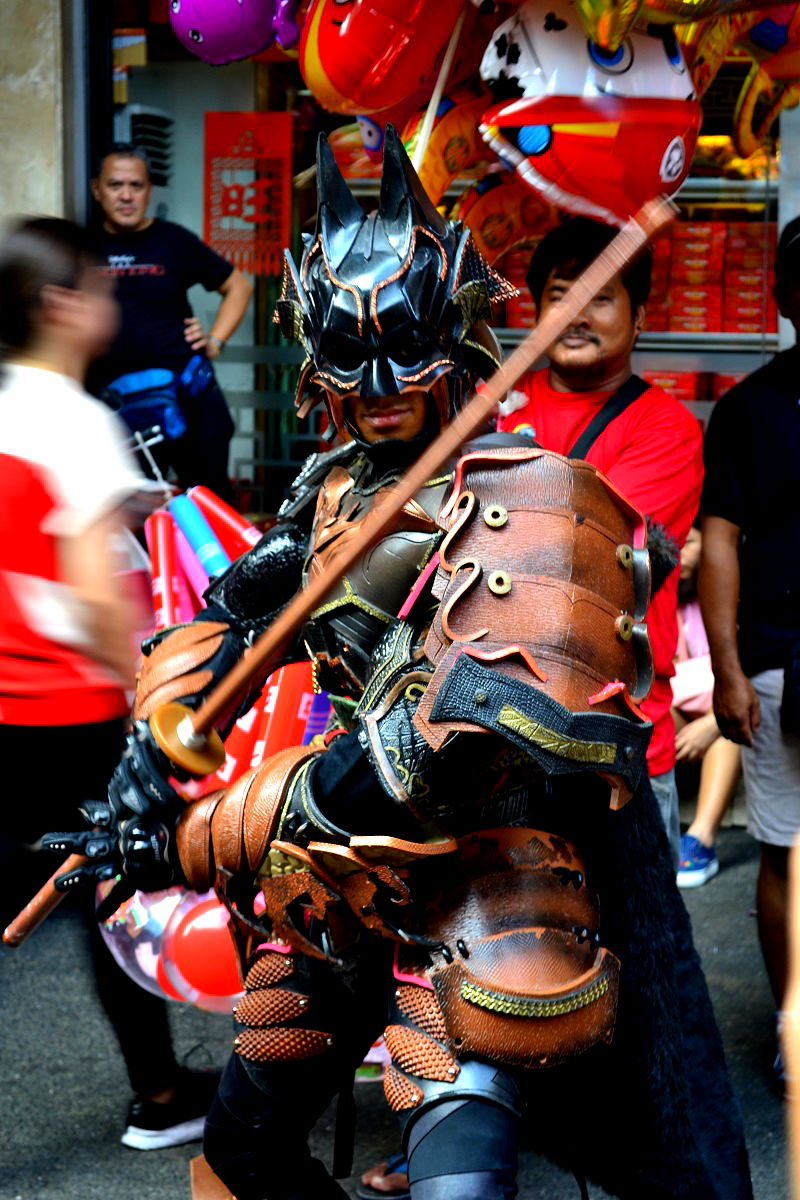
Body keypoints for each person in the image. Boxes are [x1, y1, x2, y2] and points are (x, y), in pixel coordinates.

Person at [46, 131, 752, 1200]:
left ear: (457, 339)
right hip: (336, 900)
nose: (378, 388)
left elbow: (431, 749)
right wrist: (159, 731)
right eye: (349, 363)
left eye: (405, 353)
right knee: (242, 1153)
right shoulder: (333, 491)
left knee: (460, 1183)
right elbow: (236, 616)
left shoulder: (530, 500)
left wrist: (200, 833)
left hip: (486, 898)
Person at [0, 217, 219, 1149]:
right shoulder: (80, 425)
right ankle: (161, 1096)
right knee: (110, 898)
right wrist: (145, 687)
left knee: (68, 900)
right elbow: (94, 592)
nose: (111, 304)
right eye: (96, 287)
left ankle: (163, 1088)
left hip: (9, 707)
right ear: (60, 305)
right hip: (76, 711)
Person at [496, 216, 704, 870]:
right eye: (561, 294)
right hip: (494, 737)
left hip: (617, 742)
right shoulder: (488, 406)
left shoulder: (667, 430)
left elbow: (596, 557)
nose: (578, 313)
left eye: (601, 297)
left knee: (636, 956)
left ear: (639, 317)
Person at [700, 214, 800, 1084]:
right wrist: (728, 668)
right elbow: (720, 540)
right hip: (780, 656)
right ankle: (793, 1022)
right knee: (786, 849)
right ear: (786, 298)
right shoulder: (747, 412)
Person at [87, 142, 253, 502]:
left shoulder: (173, 241)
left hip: (188, 397)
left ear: (149, 190)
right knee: (130, 511)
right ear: (96, 190)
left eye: (137, 186)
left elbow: (238, 286)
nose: (127, 196)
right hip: (115, 406)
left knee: (209, 504)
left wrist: (215, 341)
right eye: (116, 185)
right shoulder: (81, 246)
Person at [672, 524, 742, 888]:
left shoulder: (727, 599)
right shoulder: (664, 603)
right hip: (682, 710)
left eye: (691, 543)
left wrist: (712, 723)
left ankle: (700, 839)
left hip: (723, 711)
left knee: (731, 729)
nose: (680, 554)